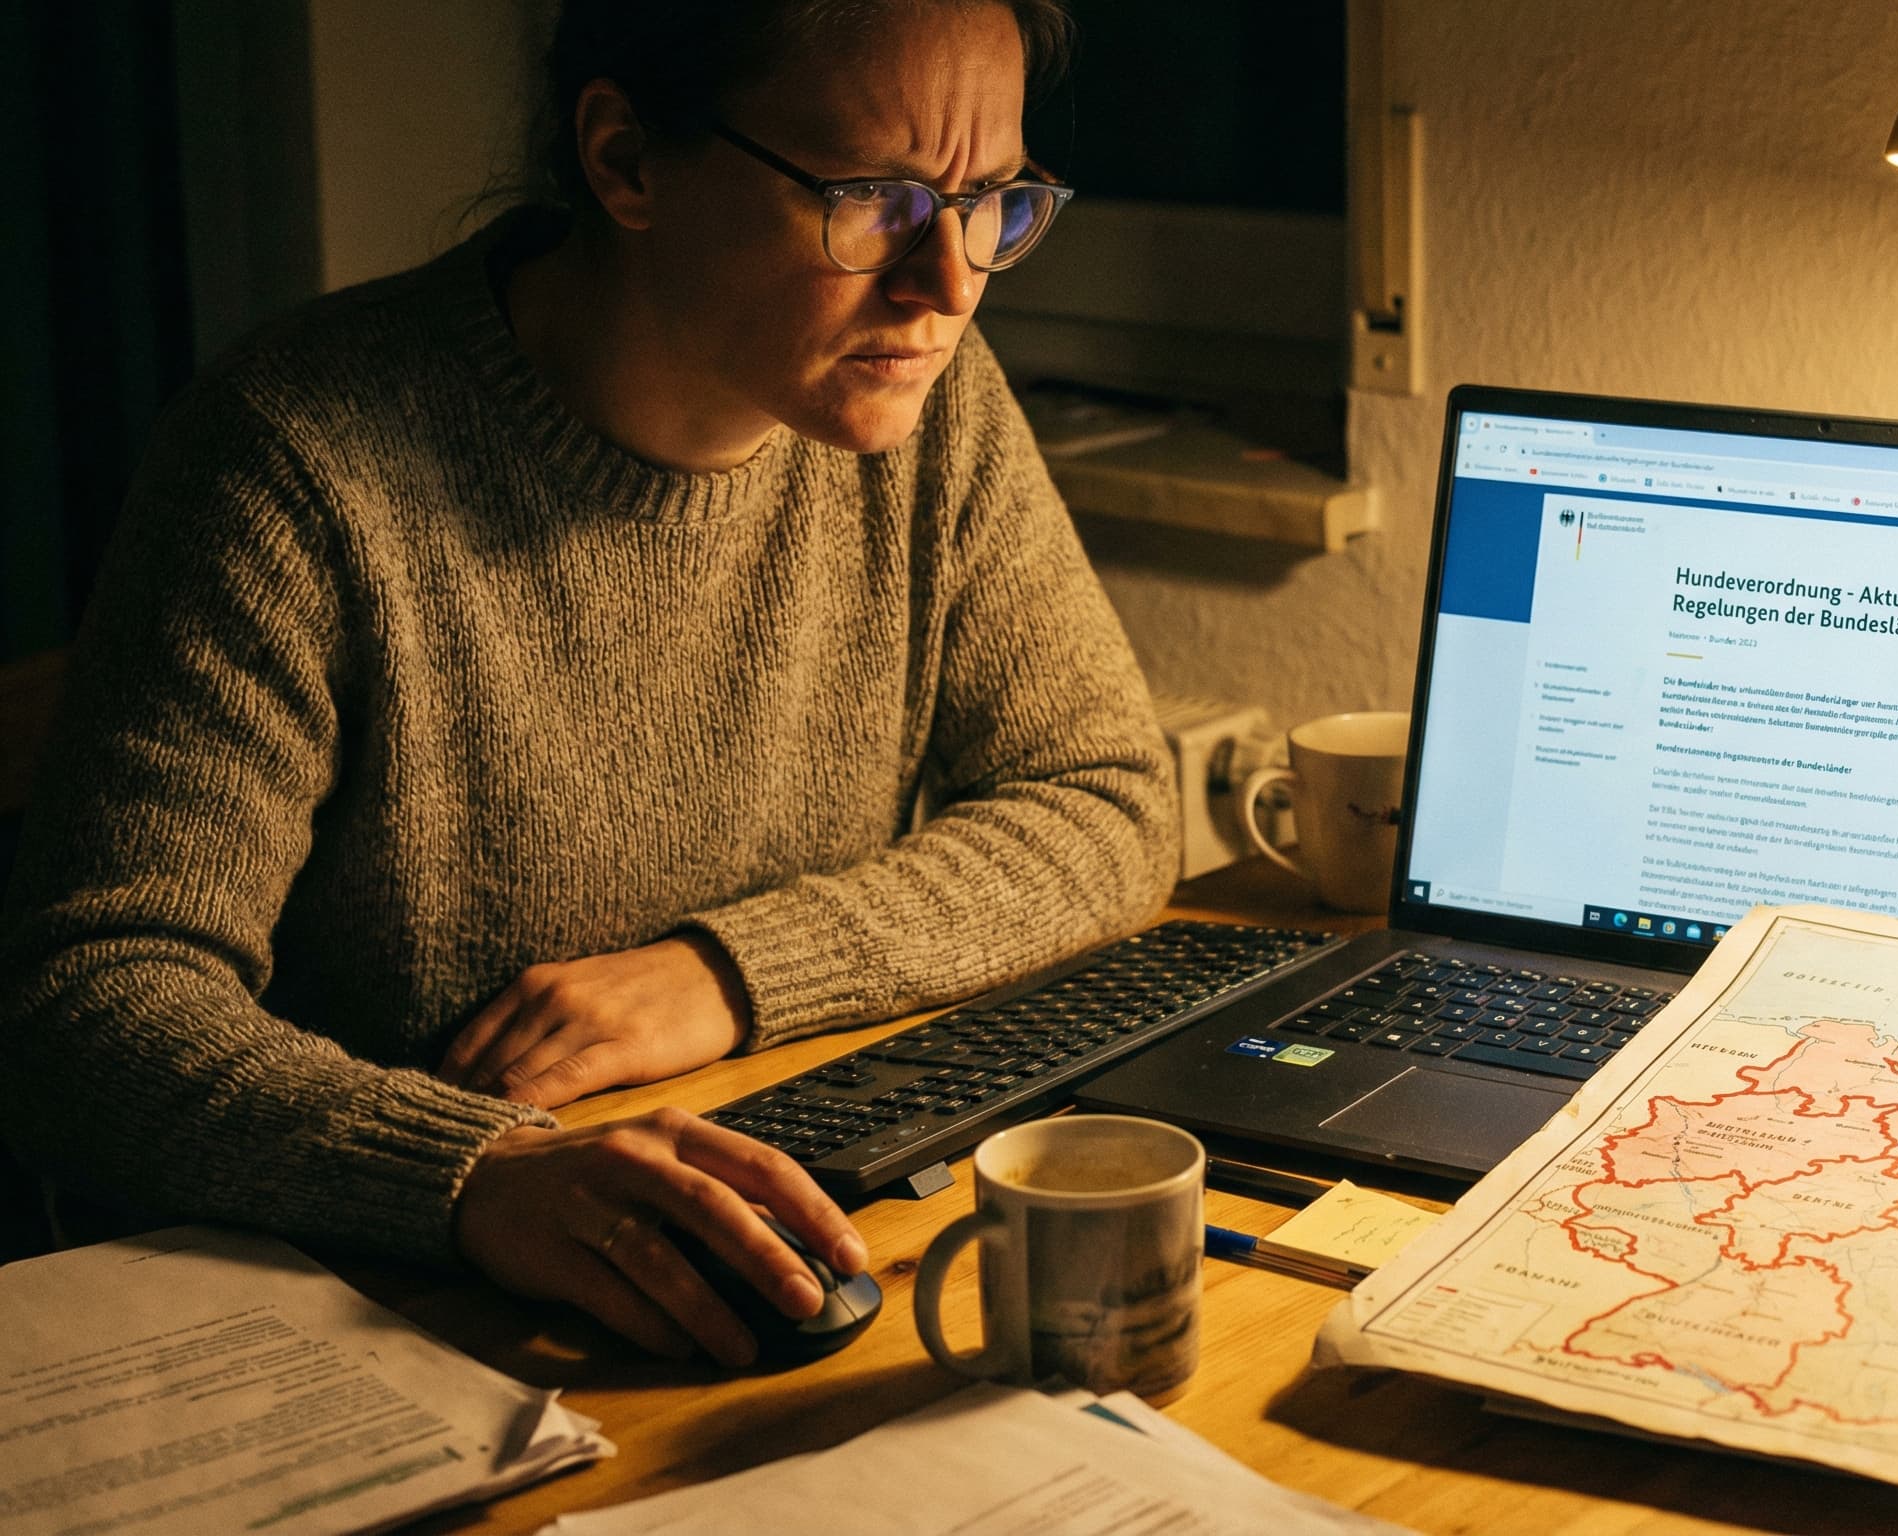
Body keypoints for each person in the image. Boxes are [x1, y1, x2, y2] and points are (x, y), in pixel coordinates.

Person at [0, 0, 1177, 1370]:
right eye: (875, 203)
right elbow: (88, 1006)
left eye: (990, 203)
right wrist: (469, 1173)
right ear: (625, 160)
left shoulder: (933, 408)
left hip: (743, 1234)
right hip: (369, 1319)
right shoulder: (299, 459)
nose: (950, 286)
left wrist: (725, 977)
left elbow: (1104, 799)